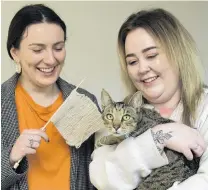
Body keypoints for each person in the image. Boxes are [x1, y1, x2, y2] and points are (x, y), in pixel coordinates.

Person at [90, 8, 208, 190]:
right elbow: (103, 177)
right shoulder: (117, 116)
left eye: (151, 55)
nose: (142, 68)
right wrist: (157, 138)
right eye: (132, 62)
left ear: (178, 53)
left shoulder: (205, 107)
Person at [1, 4, 98, 190]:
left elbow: (100, 175)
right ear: (15, 53)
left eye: (58, 47)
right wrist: (11, 156)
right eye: (38, 50)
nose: (51, 59)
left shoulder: (84, 103)